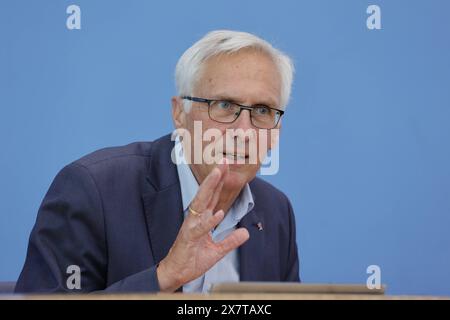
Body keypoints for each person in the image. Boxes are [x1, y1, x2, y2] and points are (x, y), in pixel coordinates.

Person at [15, 30, 300, 293]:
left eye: (262, 110)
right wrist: (163, 278)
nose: (244, 132)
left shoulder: (275, 211)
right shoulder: (93, 191)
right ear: (179, 114)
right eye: (224, 106)